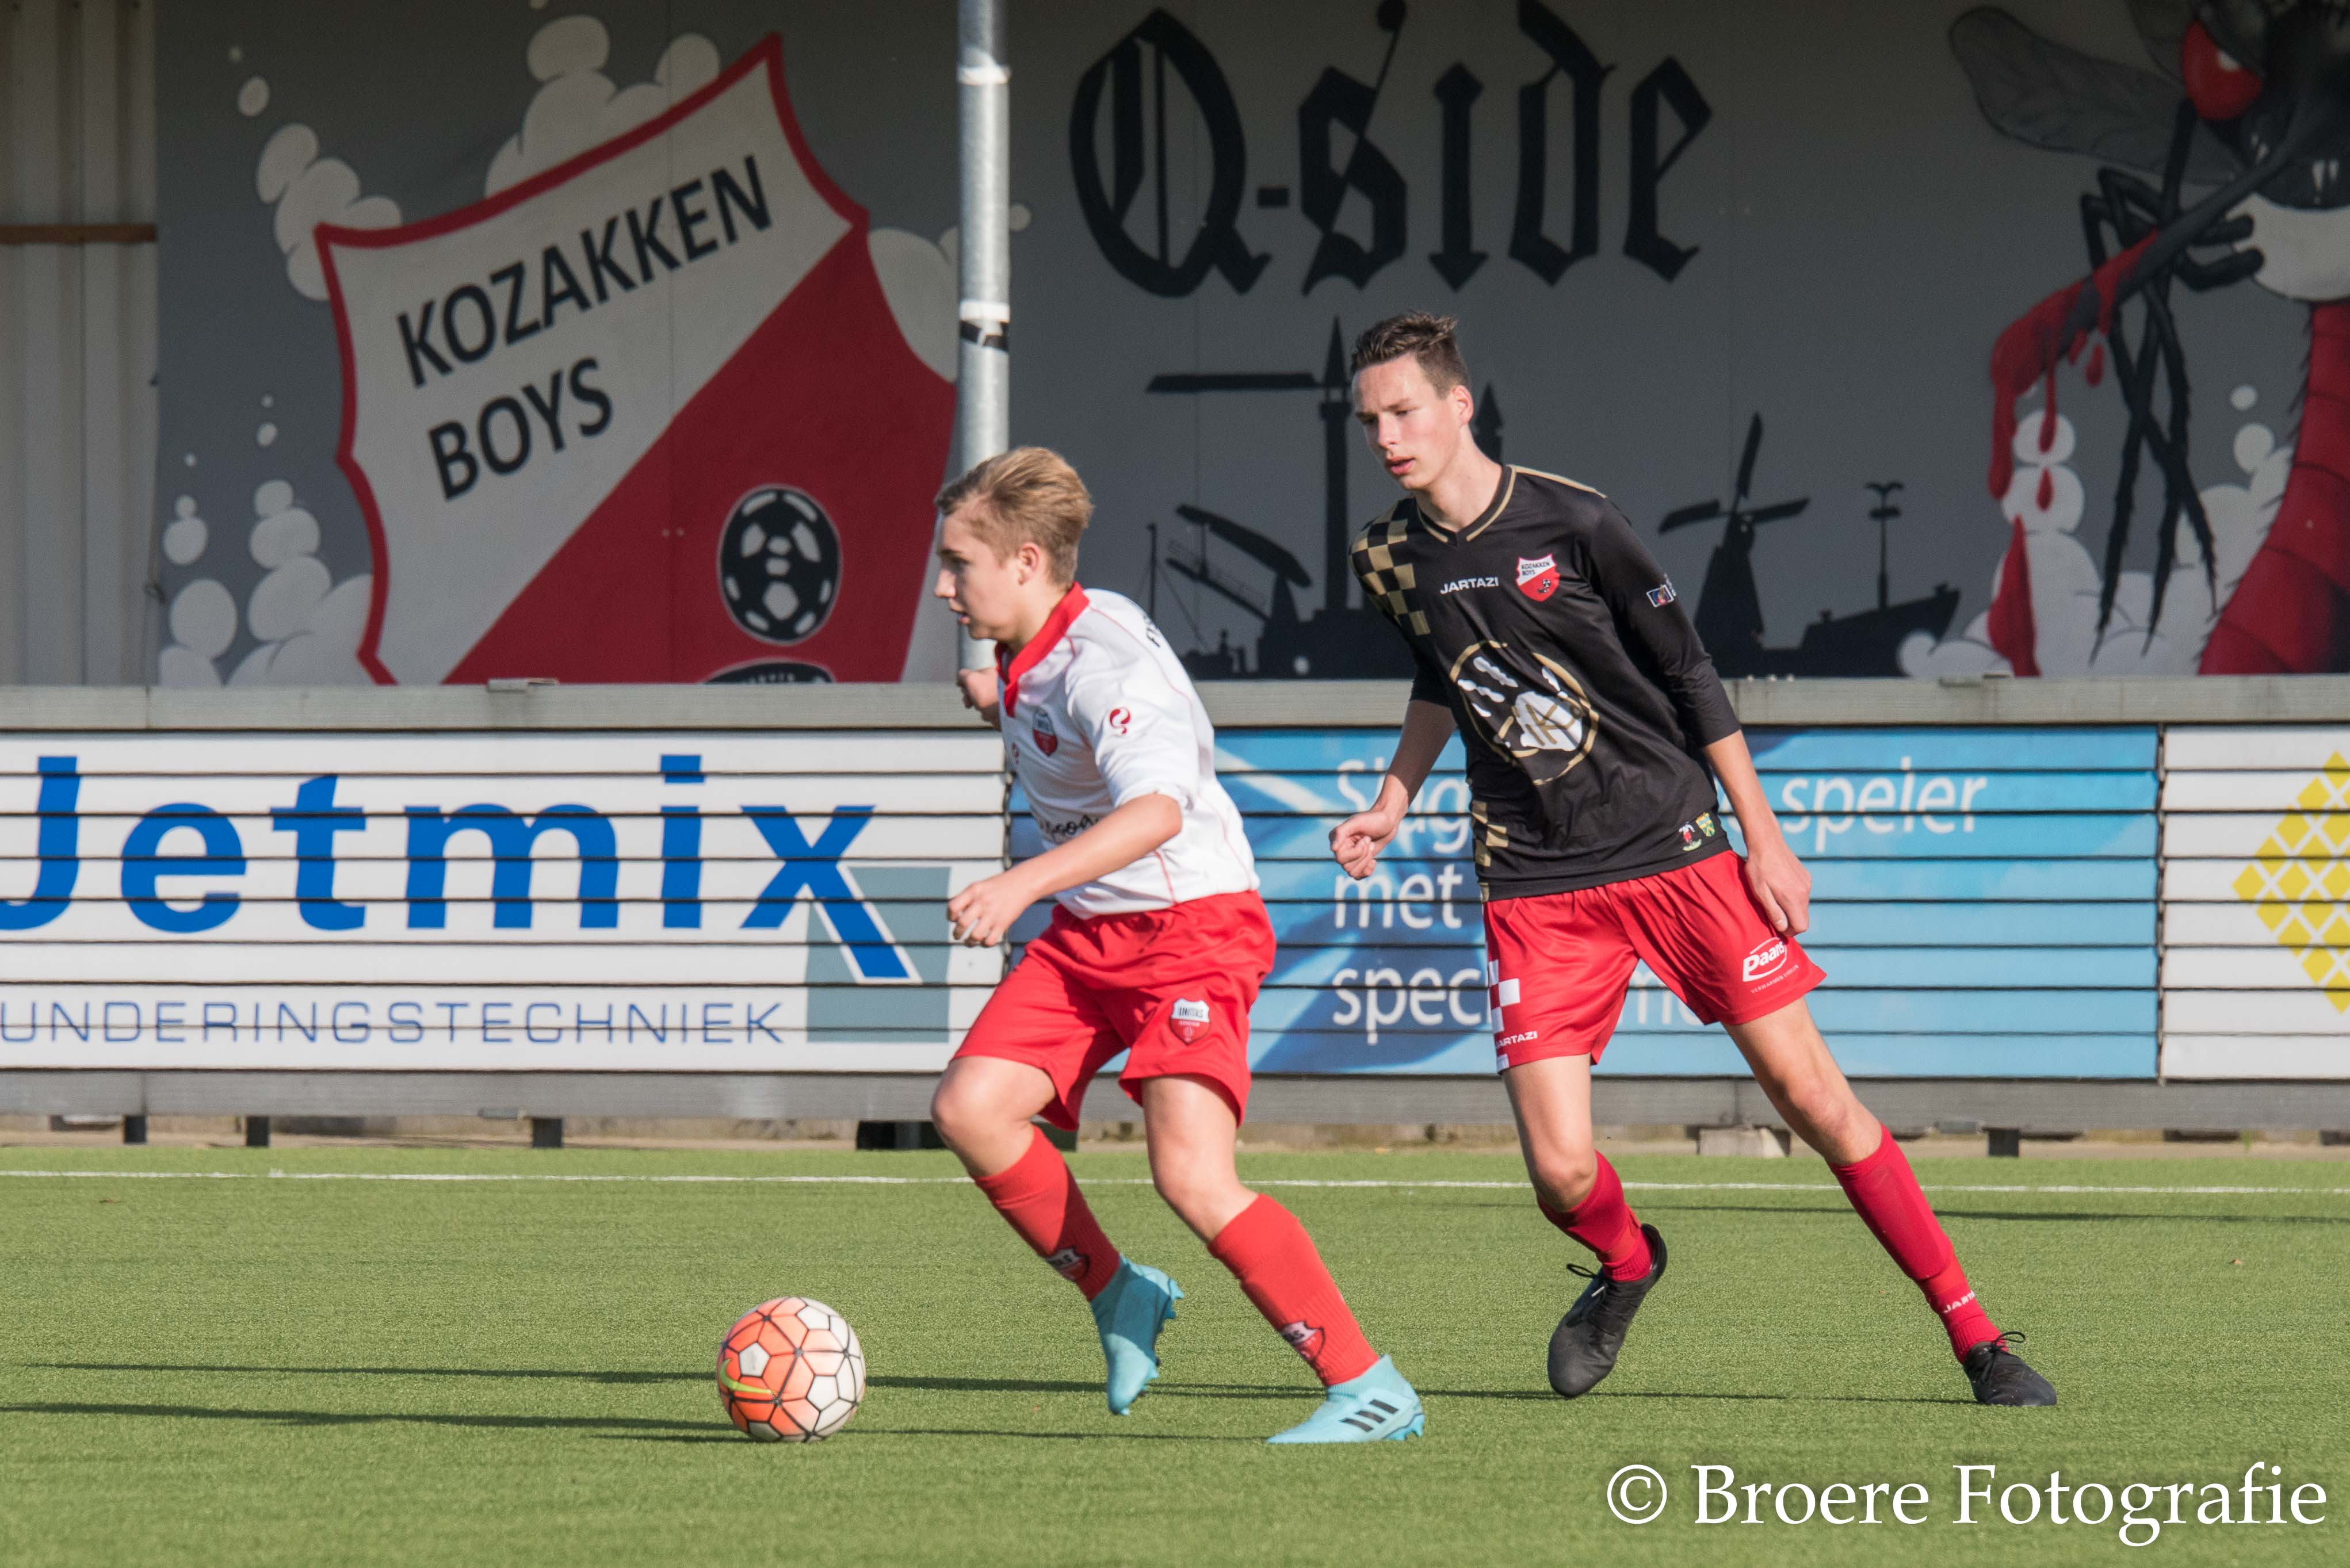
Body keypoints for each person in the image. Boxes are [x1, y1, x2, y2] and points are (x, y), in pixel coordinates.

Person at [1328, 313, 2056, 1408]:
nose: (1387, 437)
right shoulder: (1384, 554)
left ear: (1458, 405)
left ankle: (1977, 1338)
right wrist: (1393, 799)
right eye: (1369, 420)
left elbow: (1689, 673)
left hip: (1674, 846)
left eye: (1404, 411)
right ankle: (1627, 1262)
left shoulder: (1576, 519)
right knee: (1559, 1171)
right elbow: (1444, 673)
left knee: (1813, 1099)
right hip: (1533, 880)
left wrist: (1763, 838)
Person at [928, 446, 1424, 1443]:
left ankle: (1369, 1386)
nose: (943, 588)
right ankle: (1120, 1293)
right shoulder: (1037, 639)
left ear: (1025, 562)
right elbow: (1048, 700)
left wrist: (1020, 882)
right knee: (970, 1110)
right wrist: (997, 694)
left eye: (958, 565)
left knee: (1191, 1177)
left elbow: (1156, 810)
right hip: (1089, 935)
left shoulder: (1106, 666)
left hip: (1190, 932)